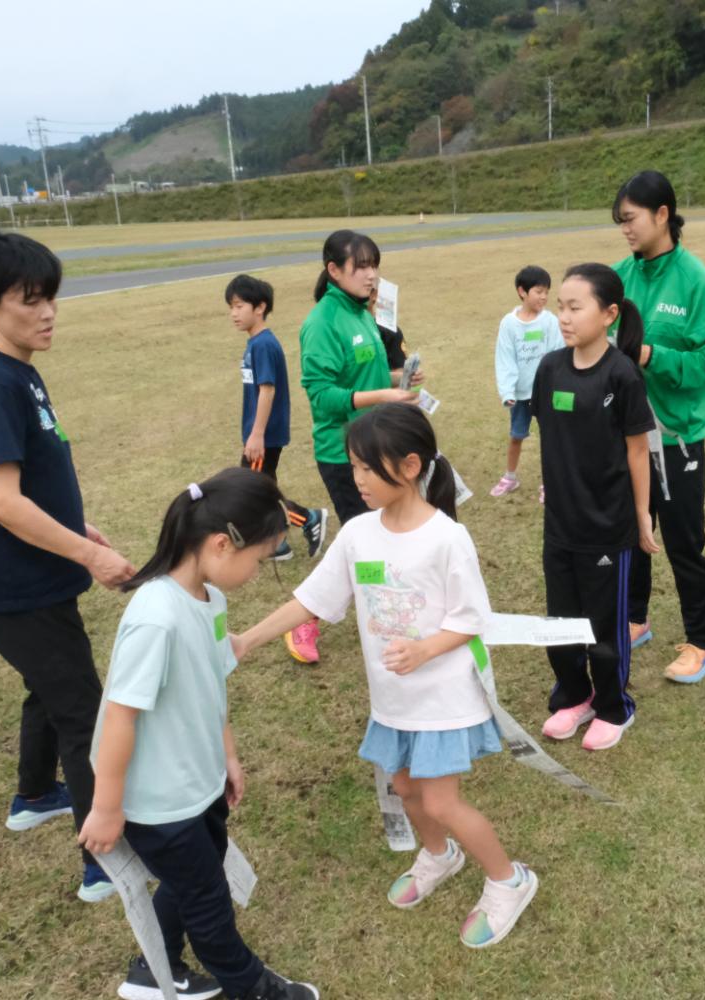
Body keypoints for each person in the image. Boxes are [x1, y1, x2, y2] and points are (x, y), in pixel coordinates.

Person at [235, 404, 538, 949]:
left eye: (368, 469)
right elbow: (313, 599)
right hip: (394, 700)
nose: (357, 480)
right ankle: (439, 855)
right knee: (404, 788)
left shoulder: (447, 538)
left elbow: (472, 619)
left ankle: (508, 880)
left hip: (443, 696)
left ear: (409, 466)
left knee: (442, 801)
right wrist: (245, 641)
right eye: (353, 468)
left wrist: (425, 649)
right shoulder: (357, 535)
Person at [0, 231, 136, 902]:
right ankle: (101, 860)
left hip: (32, 577)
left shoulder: (17, 368)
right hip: (14, 587)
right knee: (85, 710)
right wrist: (91, 554)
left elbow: (24, 478)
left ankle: (32, 795)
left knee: (47, 689)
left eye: (51, 296)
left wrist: (73, 524)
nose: (49, 311)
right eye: (31, 299)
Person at [79, 469, 319, 1000]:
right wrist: (106, 806)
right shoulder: (156, 618)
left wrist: (226, 757)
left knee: (196, 875)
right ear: (219, 544)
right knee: (210, 909)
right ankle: (253, 990)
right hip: (160, 804)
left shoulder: (210, 600)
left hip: (198, 781)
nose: (257, 571)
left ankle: (150, 969)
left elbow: (213, 680)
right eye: (258, 559)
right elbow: (120, 715)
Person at [532, 264, 657, 751]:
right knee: (560, 620)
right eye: (560, 306)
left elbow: (637, 451)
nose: (563, 316)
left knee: (605, 625)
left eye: (574, 306)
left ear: (608, 315)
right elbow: (554, 439)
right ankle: (575, 695)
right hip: (561, 525)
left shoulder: (622, 374)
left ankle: (612, 706)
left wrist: (642, 515)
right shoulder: (549, 368)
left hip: (609, 526)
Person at [612, 170, 705, 684]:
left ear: (662, 215)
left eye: (631, 219)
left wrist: (654, 355)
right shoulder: (619, 277)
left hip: (678, 437)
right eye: (620, 222)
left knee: (682, 540)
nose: (625, 230)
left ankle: (701, 641)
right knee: (634, 530)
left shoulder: (696, 280)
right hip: (627, 435)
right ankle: (635, 619)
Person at [294, 232, 419, 666]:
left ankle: (386, 615)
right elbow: (323, 397)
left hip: (373, 444)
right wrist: (382, 397)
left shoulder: (361, 313)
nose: (371, 275)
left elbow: (364, 374)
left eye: (374, 265)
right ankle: (304, 619)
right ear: (334, 270)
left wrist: (397, 383)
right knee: (360, 542)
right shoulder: (323, 322)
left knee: (369, 537)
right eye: (361, 266)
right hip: (341, 454)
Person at [227, 274, 328, 564]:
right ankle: (278, 544)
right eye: (231, 307)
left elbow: (267, 390)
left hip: (264, 435)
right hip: (260, 433)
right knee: (263, 487)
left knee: (253, 491)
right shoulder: (255, 343)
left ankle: (308, 519)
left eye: (239, 306)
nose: (233, 313)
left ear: (259, 307)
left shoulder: (263, 345)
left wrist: (256, 434)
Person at [490, 265, 558, 499]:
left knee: (550, 438)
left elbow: (558, 354)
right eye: (538, 291)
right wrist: (507, 391)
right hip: (520, 394)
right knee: (516, 435)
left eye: (546, 291)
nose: (544, 297)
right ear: (522, 291)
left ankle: (550, 482)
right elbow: (505, 357)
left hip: (545, 392)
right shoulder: (509, 323)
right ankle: (510, 477)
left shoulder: (550, 322)